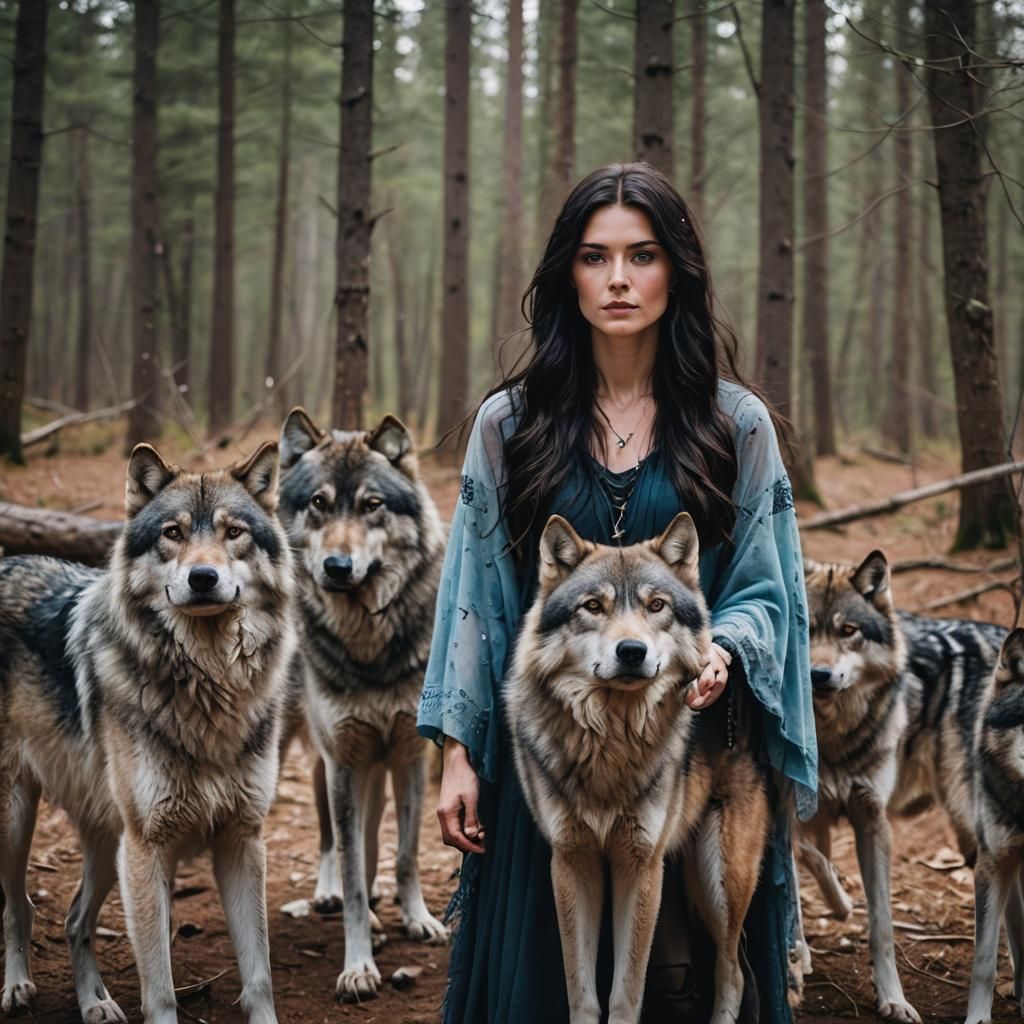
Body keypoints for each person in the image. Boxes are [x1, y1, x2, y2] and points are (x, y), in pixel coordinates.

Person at [417, 162, 817, 1023]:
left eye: (643, 255)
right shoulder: (510, 424)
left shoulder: (735, 424)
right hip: (547, 762)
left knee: (679, 986)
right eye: (596, 257)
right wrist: (456, 752)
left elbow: (769, 587)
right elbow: (476, 600)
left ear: (678, 270)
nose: (620, 280)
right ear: (569, 273)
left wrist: (723, 648)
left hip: (689, 753)